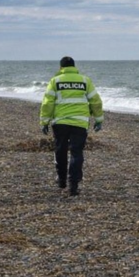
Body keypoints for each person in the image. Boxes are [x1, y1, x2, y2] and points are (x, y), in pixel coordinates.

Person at [40, 56, 103, 196]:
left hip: (60, 122)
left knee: (60, 150)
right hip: (80, 122)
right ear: (74, 67)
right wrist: (98, 119)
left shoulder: (55, 81)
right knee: (76, 152)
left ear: (61, 68)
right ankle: (73, 185)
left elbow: (47, 103)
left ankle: (61, 180)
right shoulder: (85, 81)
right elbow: (95, 101)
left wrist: (44, 122)